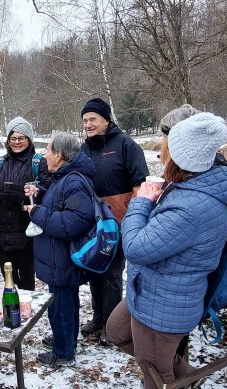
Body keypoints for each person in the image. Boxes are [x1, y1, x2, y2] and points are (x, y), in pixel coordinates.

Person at [106, 113, 227, 389]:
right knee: (117, 332)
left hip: (165, 303)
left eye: (167, 146)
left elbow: (136, 246)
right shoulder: (194, 185)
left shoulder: (192, 206)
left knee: (152, 367)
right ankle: (183, 376)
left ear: (181, 157)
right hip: (153, 291)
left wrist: (139, 203)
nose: (161, 151)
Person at [79, 98, 149, 345]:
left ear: (106, 120)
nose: (88, 124)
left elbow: (140, 184)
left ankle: (112, 325)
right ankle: (98, 318)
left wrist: (129, 214)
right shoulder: (83, 149)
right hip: (92, 225)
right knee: (94, 271)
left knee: (111, 274)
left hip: (118, 224)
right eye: (85, 120)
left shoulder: (126, 145)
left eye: (93, 119)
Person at [23, 132, 96, 367]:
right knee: (64, 302)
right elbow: (62, 205)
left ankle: (63, 353)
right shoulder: (64, 177)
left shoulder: (73, 180)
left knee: (61, 306)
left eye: (48, 151)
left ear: (60, 154)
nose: (45, 155)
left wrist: (36, 212)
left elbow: (71, 223)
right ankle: (65, 340)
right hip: (58, 257)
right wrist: (41, 194)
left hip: (61, 258)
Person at [0, 116, 50, 290]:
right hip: (1, 232)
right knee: (8, 276)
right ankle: (12, 311)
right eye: (13, 138)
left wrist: (20, 195)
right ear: (8, 140)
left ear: (29, 139)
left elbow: (48, 194)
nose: (17, 142)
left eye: (21, 138)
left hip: (27, 233)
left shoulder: (39, 163)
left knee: (26, 278)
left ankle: (28, 312)